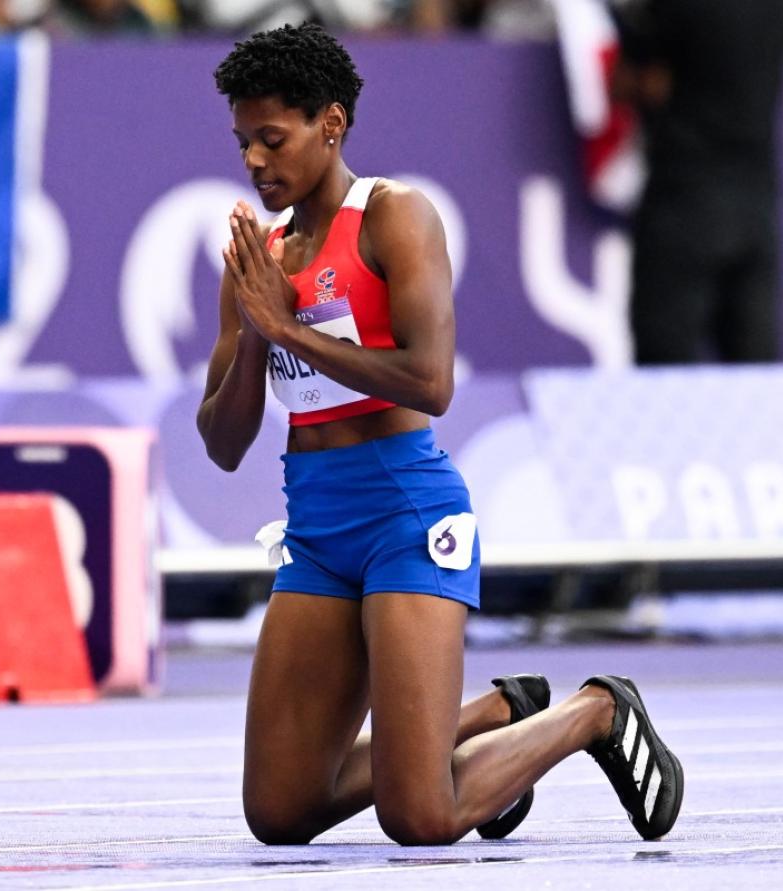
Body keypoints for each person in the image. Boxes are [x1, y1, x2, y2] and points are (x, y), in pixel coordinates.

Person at [199, 22, 683, 846]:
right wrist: (253, 333)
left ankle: (591, 711)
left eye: (271, 140)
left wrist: (294, 331)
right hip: (316, 531)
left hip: (405, 519)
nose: (253, 161)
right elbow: (222, 441)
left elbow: (432, 382)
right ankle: (499, 712)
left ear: (332, 123)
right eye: (243, 141)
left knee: (418, 814)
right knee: (278, 810)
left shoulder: (396, 217)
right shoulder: (260, 259)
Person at [610, 0, 783, 364]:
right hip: (758, 206)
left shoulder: (680, 8)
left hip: (684, 202)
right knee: (757, 371)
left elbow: (643, 82)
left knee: (663, 370)